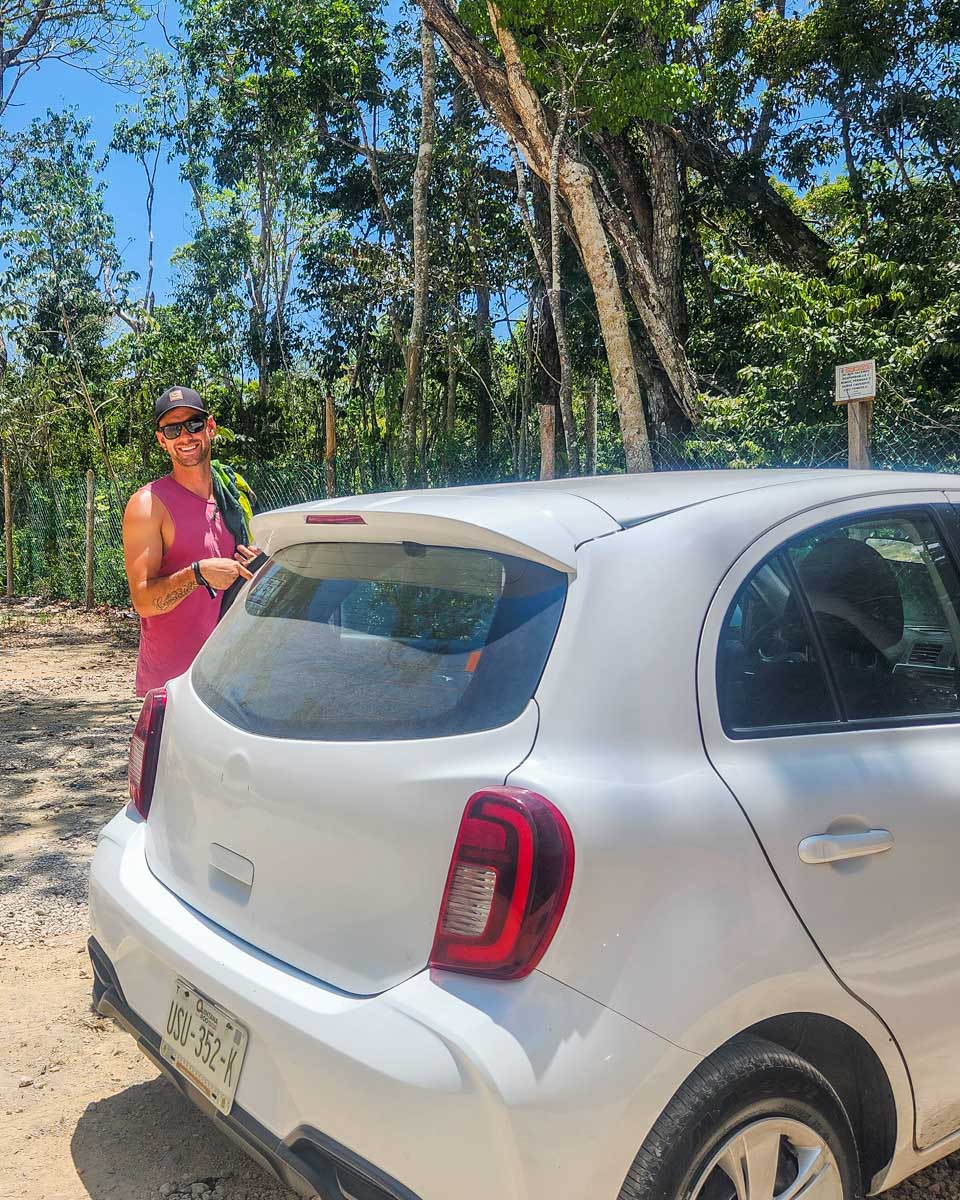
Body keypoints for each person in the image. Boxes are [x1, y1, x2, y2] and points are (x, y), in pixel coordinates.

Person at [122, 386, 262, 697]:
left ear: (210, 427)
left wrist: (253, 562)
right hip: (173, 685)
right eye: (172, 429)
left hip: (230, 677)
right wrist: (197, 574)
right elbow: (143, 602)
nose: (185, 436)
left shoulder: (231, 499)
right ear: (162, 440)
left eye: (193, 424)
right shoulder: (148, 504)